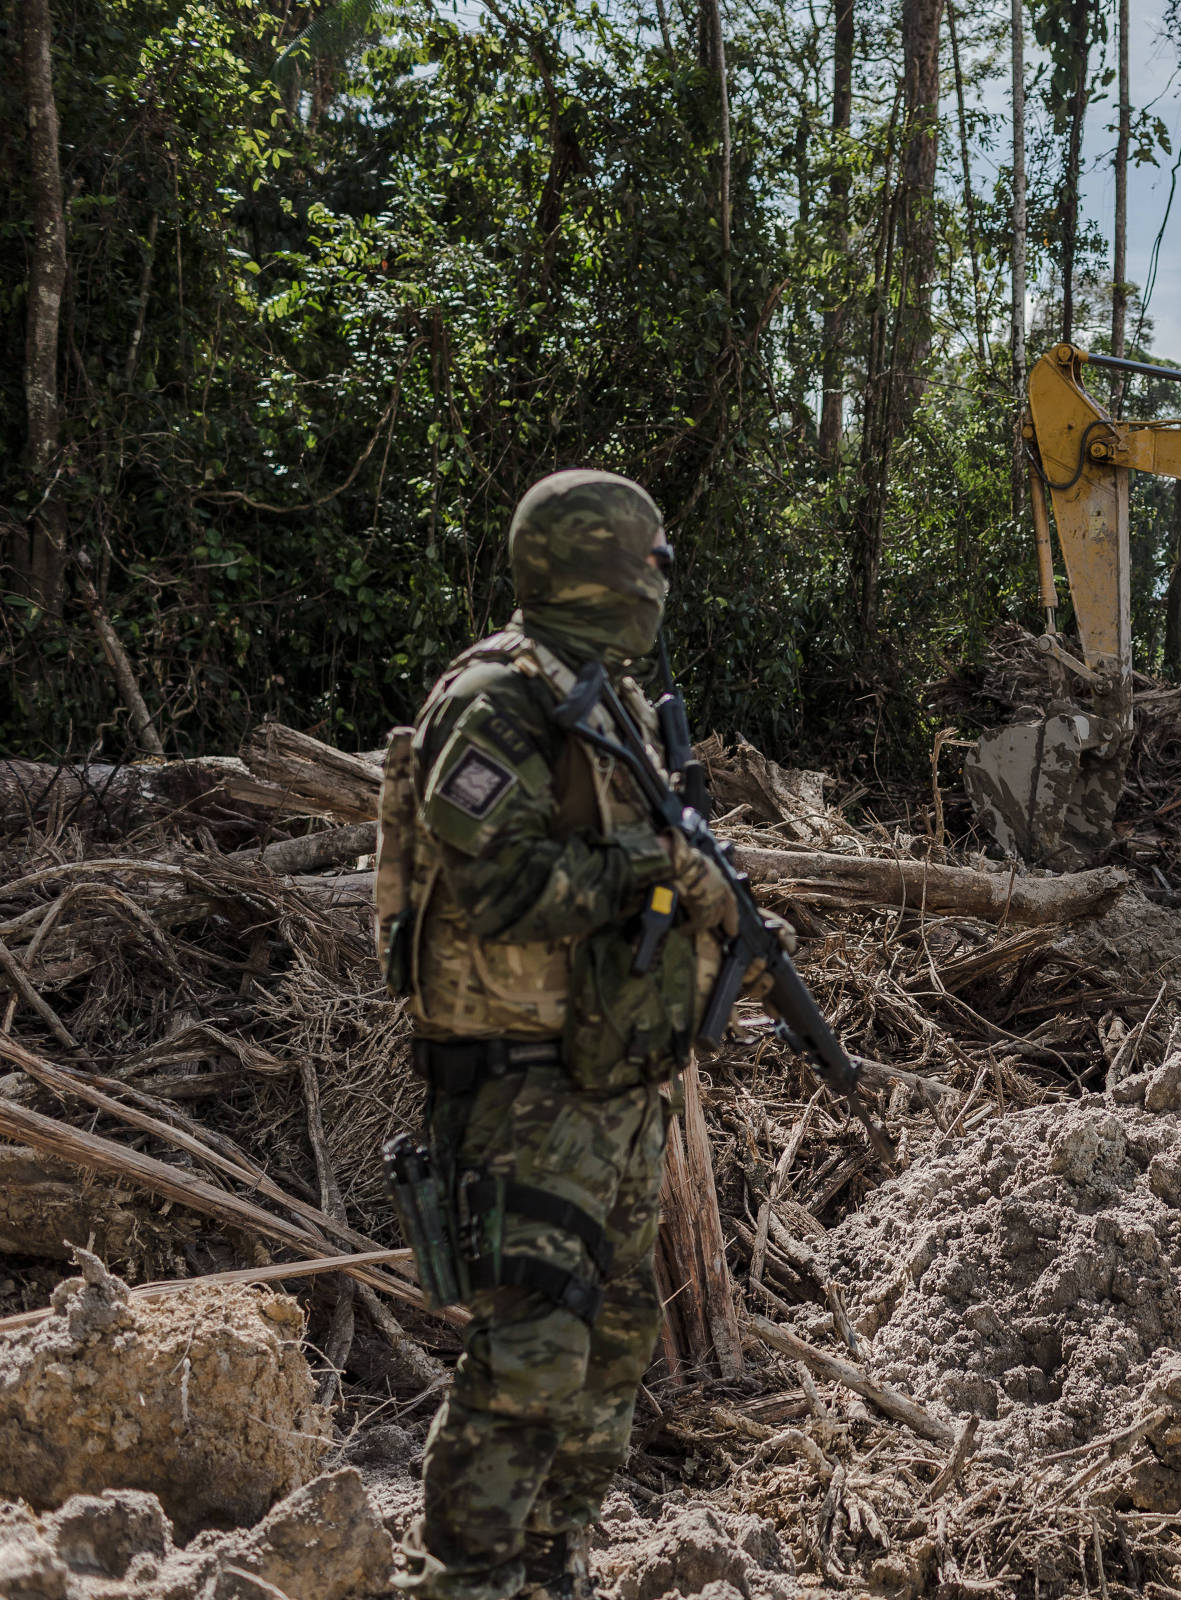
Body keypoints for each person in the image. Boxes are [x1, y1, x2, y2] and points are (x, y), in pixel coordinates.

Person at [383, 469, 737, 1600]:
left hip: (609, 1089)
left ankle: (553, 1571)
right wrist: (652, 866)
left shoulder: (606, 696)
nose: (659, 586)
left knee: (610, 1359)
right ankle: (466, 1580)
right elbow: (497, 887)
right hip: (519, 1089)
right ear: (606, 565)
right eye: (651, 563)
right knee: (532, 1355)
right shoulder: (497, 698)